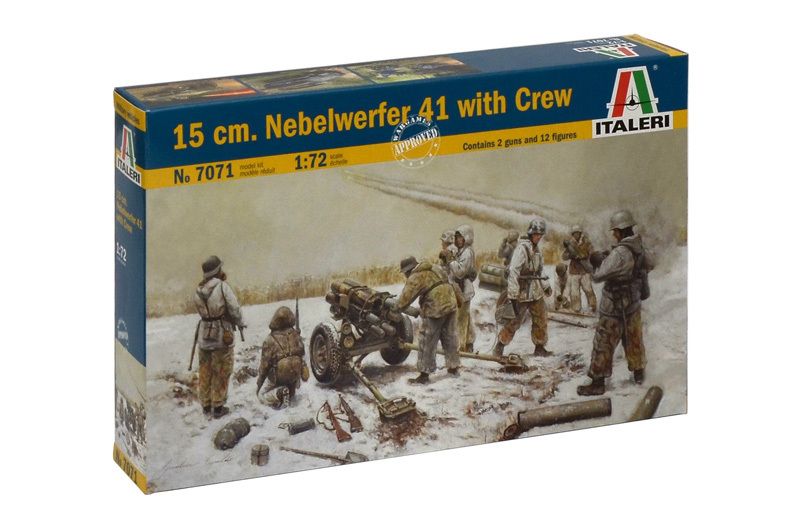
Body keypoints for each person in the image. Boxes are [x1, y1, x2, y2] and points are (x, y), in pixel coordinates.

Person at [577, 210, 655, 396]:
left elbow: (598, 276)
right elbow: (650, 263)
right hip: (632, 304)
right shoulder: (640, 248)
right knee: (633, 340)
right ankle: (638, 374)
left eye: (615, 231)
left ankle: (597, 382)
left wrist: (594, 263)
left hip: (614, 307)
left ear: (620, 230)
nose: (614, 234)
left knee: (603, 343)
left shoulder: (620, 253)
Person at [194, 255, 245, 419]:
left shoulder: (198, 291)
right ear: (217, 271)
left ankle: (206, 405)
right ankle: (217, 407)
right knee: (222, 370)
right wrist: (240, 322)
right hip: (222, 335)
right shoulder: (223, 287)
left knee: (205, 371)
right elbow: (234, 309)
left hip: (204, 335)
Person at [396, 256, 460, 384]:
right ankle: (454, 368)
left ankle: (424, 375)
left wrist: (396, 308)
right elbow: (453, 284)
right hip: (451, 305)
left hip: (435, 308)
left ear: (408, 271)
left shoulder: (416, 276)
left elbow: (404, 299)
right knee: (450, 337)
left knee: (427, 340)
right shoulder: (436, 268)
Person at [494, 218, 553, 357]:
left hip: (535, 291)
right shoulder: (522, 249)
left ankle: (539, 347)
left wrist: (546, 286)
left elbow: (539, 271)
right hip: (522, 291)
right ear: (531, 233)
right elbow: (514, 272)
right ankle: (500, 345)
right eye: (536, 234)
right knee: (515, 320)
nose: (538, 237)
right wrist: (513, 296)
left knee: (541, 318)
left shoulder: (537, 251)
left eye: (540, 235)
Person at [256, 306, 308, 408]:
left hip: (279, 375)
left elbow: (264, 366)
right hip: (294, 373)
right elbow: (302, 353)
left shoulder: (269, 340)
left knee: (261, 396)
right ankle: (290, 390)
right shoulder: (296, 335)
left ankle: (279, 393)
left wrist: (259, 384)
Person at [448, 224, 477, 352]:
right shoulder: (462, 251)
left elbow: (460, 272)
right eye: (457, 237)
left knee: (460, 318)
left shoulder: (467, 253)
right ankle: (469, 342)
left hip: (464, 289)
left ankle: (460, 346)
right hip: (461, 289)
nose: (458, 240)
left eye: (461, 237)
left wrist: (450, 261)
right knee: (465, 316)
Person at [562, 225, 597, 313]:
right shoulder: (570, 244)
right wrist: (571, 255)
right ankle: (576, 309)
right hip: (574, 271)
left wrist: (583, 256)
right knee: (575, 293)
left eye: (577, 233)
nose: (576, 235)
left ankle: (592, 306)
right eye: (574, 233)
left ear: (580, 233)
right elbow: (564, 256)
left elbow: (592, 252)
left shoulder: (586, 242)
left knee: (588, 290)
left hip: (584, 270)